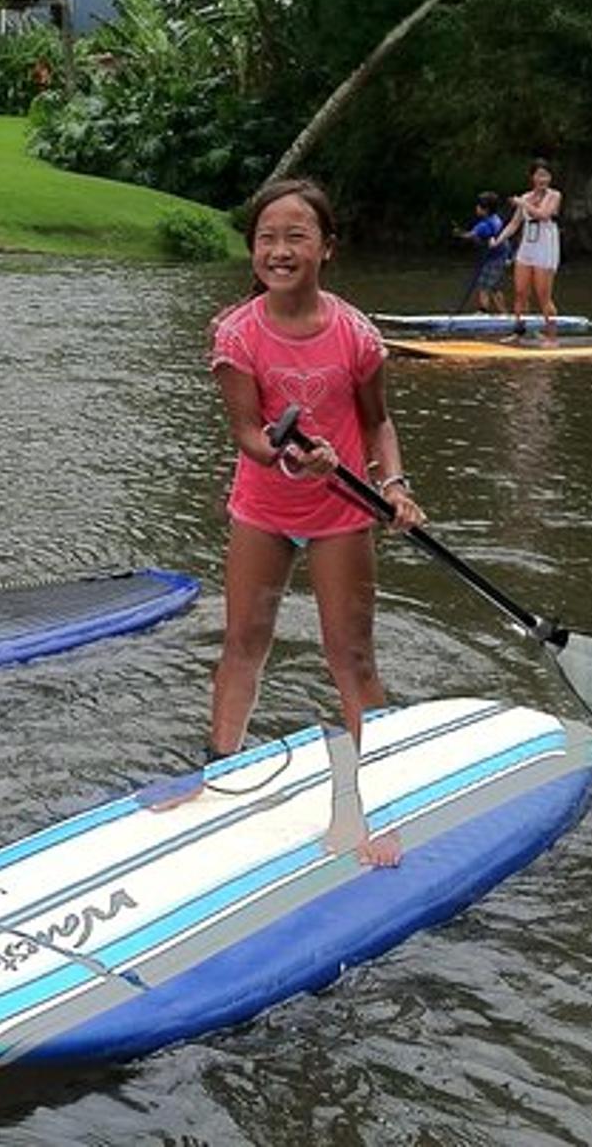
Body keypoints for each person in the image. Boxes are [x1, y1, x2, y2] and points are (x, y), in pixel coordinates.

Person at [203, 178, 425, 866]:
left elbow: (376, 421)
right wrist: (292, 456)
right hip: (264, 507)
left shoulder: (356, 333)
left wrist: (393, 484)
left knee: (351, 655)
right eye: (266, 237)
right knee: (244, 642)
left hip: (342, 509)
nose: (279, 249)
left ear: (327, 248)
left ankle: (380, 803)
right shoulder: (237, 335)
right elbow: (249, 434)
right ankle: (216, 783)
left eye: (296, 236)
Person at [499, 159, 562, 341]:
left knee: (543, 295)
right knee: (520, 291)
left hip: (545, 246)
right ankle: (518, 331)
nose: (542, 179)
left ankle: (551, 335)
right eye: (539, 175)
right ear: (532, 177)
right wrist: (498, 240)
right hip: (528, 246)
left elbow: (543, 215)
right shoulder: (525, 197)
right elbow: (514, 223)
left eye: (546, 175)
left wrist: (522, 204)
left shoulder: (554, 195)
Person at [463, 189, 510, 315]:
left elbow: (471, 235)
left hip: (493, 259)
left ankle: (483, 311)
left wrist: (460, 234)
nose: (476, 208)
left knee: (483, 285)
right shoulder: (496, 219)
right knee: (495, 286)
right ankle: (504, 313)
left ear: (485, 209)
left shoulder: (484, 225)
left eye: (478, 206)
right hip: (501, 257)